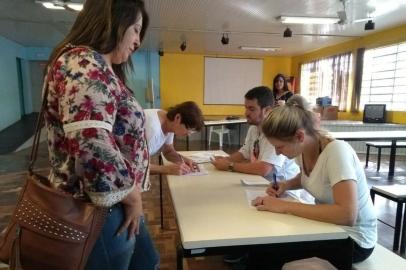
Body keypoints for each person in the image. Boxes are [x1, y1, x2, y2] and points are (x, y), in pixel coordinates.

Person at [43, 0, 158, 269]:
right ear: (115, 23)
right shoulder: (84, 62)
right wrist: (132, 196)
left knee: (147, 261)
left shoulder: (100, 68)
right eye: (136, 30)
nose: (137, 41)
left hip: (119, 202)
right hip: (99, 207)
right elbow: (91, 144)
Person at [253, 96, 377, 263]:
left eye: (280, 146)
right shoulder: (302, 151)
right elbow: (310, 176)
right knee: (263, 243)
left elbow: (347, 215)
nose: (277, 153)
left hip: (354, 240)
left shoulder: (336, 152)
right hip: (328, 229)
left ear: (299, 136)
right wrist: (285, 185)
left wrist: (283, 206)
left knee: (268, 251)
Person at [211, 86, 299, 183]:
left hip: (284, 191)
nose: (246, 113)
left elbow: (264, 169)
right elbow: (244, 153)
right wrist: (226, 159)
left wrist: (229, 165)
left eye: (252, 109)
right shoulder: (253, 128)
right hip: (264, 183)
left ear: (267, 110)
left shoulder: (275, 131)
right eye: (246, 108)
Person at [145, 101, 204, 175]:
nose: (188, 135)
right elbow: (135, 166)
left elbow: (168, 151)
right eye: (188, 130)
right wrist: (167, 169)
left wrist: (183, 160)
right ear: (178, 117)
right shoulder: (152, 129)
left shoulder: (169, 123)